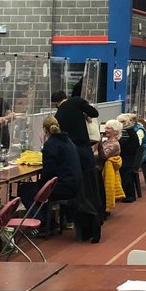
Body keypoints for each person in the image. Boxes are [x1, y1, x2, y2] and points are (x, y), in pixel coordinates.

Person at [55, 84, 102, 243]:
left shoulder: (58, 114)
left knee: (78, 192)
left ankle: (81, 228)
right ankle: (96, 222)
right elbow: (94, 113)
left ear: (55, 103)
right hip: (85, 151)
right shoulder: (76, 102)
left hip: (71, 154)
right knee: (90, 188)